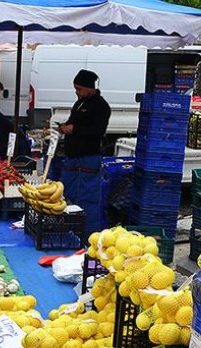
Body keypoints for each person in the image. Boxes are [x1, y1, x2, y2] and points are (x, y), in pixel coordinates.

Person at [48, 69, 111, 235]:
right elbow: (72, 122)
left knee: (87, 201)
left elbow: (98, 131)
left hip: (88, 159)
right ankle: (68, 233)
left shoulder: (101, 106)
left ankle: (87, 236)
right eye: (76, 89)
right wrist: (62, 127)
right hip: (72, 159)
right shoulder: (79, 103)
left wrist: (74, 129)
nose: (77, 92)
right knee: (67, 197)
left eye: (79, 89)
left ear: (90, 88)